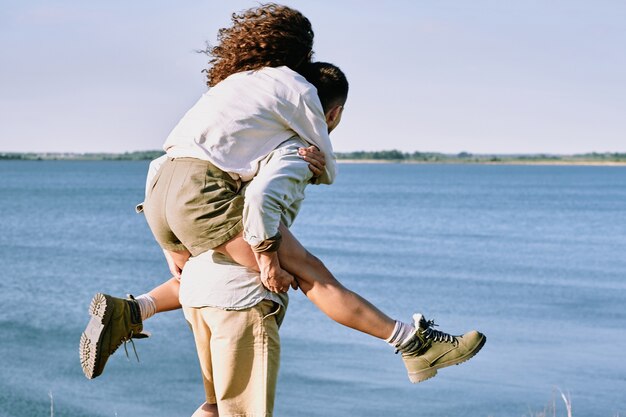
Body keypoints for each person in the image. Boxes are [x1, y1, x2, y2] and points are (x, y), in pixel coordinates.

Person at [80, 60, 485, 391]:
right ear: (334, 113)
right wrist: (269, 255)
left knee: (216, 387)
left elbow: (163, 166)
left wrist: (169, 239)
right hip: (198, 197)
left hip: (161, 192)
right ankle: (412, 344)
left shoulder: (241, 116)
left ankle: (133, 309)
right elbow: (260, 200)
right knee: (312, 273)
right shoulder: (296, 146)